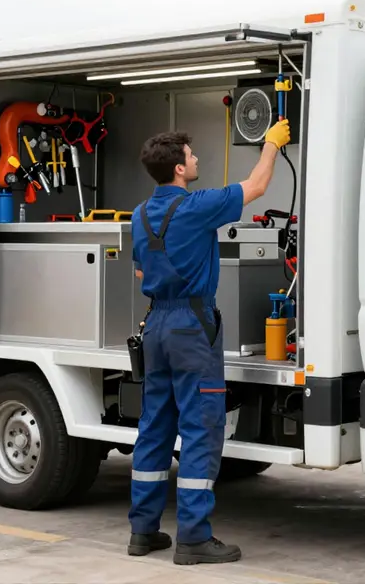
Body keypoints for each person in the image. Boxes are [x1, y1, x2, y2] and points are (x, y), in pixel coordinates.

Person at [127, 118, 291, 565]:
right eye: (192, 156)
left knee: (155, 426)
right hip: (191, 326)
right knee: (200, 428)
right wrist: (272, 144)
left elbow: (142, 271)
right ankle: (194, 539)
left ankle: (143, 532)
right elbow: (256, 186)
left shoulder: (139, 216)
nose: (197, 160)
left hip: (156, 323)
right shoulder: (196, 206)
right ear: (179, 169)